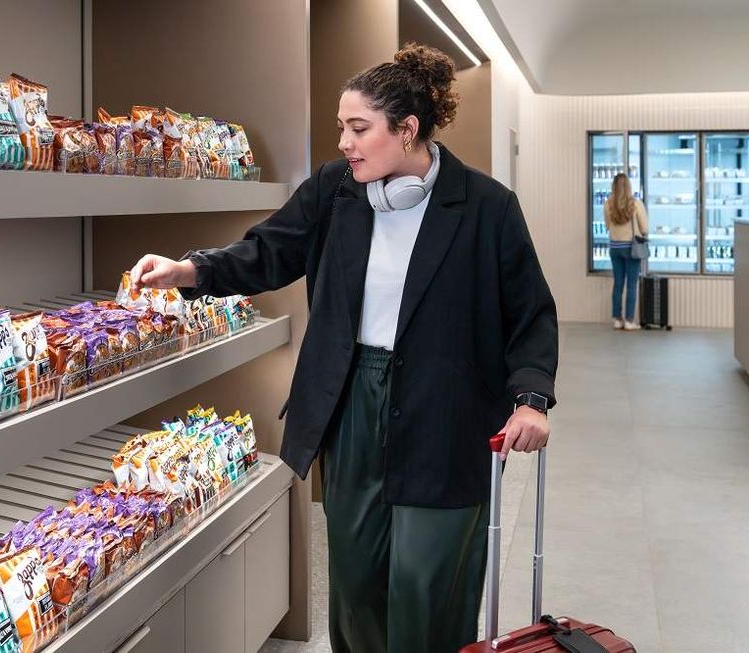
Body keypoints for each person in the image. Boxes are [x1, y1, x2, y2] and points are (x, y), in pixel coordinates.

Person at [129, 43, 558, 653]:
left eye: (359, 129)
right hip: (351, 401)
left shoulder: (486, 207)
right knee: (356, 583)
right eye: (342, 129)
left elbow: (531, 312)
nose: (346, 143)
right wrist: (189, 271)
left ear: (407, 130)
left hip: (448, 412)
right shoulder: (336, 191)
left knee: (427, 582)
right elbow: (268, 251)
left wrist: (531, 399)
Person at [604, 173, 649, 330]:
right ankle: (629, 321)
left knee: (618, 284)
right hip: (631, 248)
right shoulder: (636, 204)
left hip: (615, 248)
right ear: (629, 186)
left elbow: (608, 226)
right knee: (631, 285)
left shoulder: (608, 204)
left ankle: (617, 319)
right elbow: (645, 228)